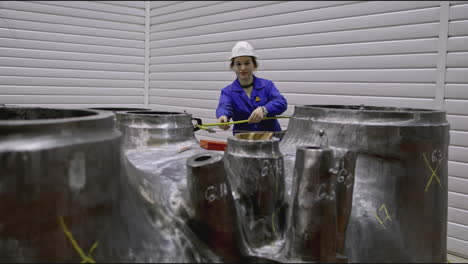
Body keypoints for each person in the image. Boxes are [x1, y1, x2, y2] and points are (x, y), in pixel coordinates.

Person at [216, 41, 287, 134]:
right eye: (238, 64)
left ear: (254, 65)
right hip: (244, 142)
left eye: (247, 63)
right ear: (233, 66)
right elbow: (224, 107)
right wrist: (222, 116)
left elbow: (281, 102)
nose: (243, 68)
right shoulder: (228, 92)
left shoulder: (267, 85)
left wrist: (264, 110)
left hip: (271, 141)